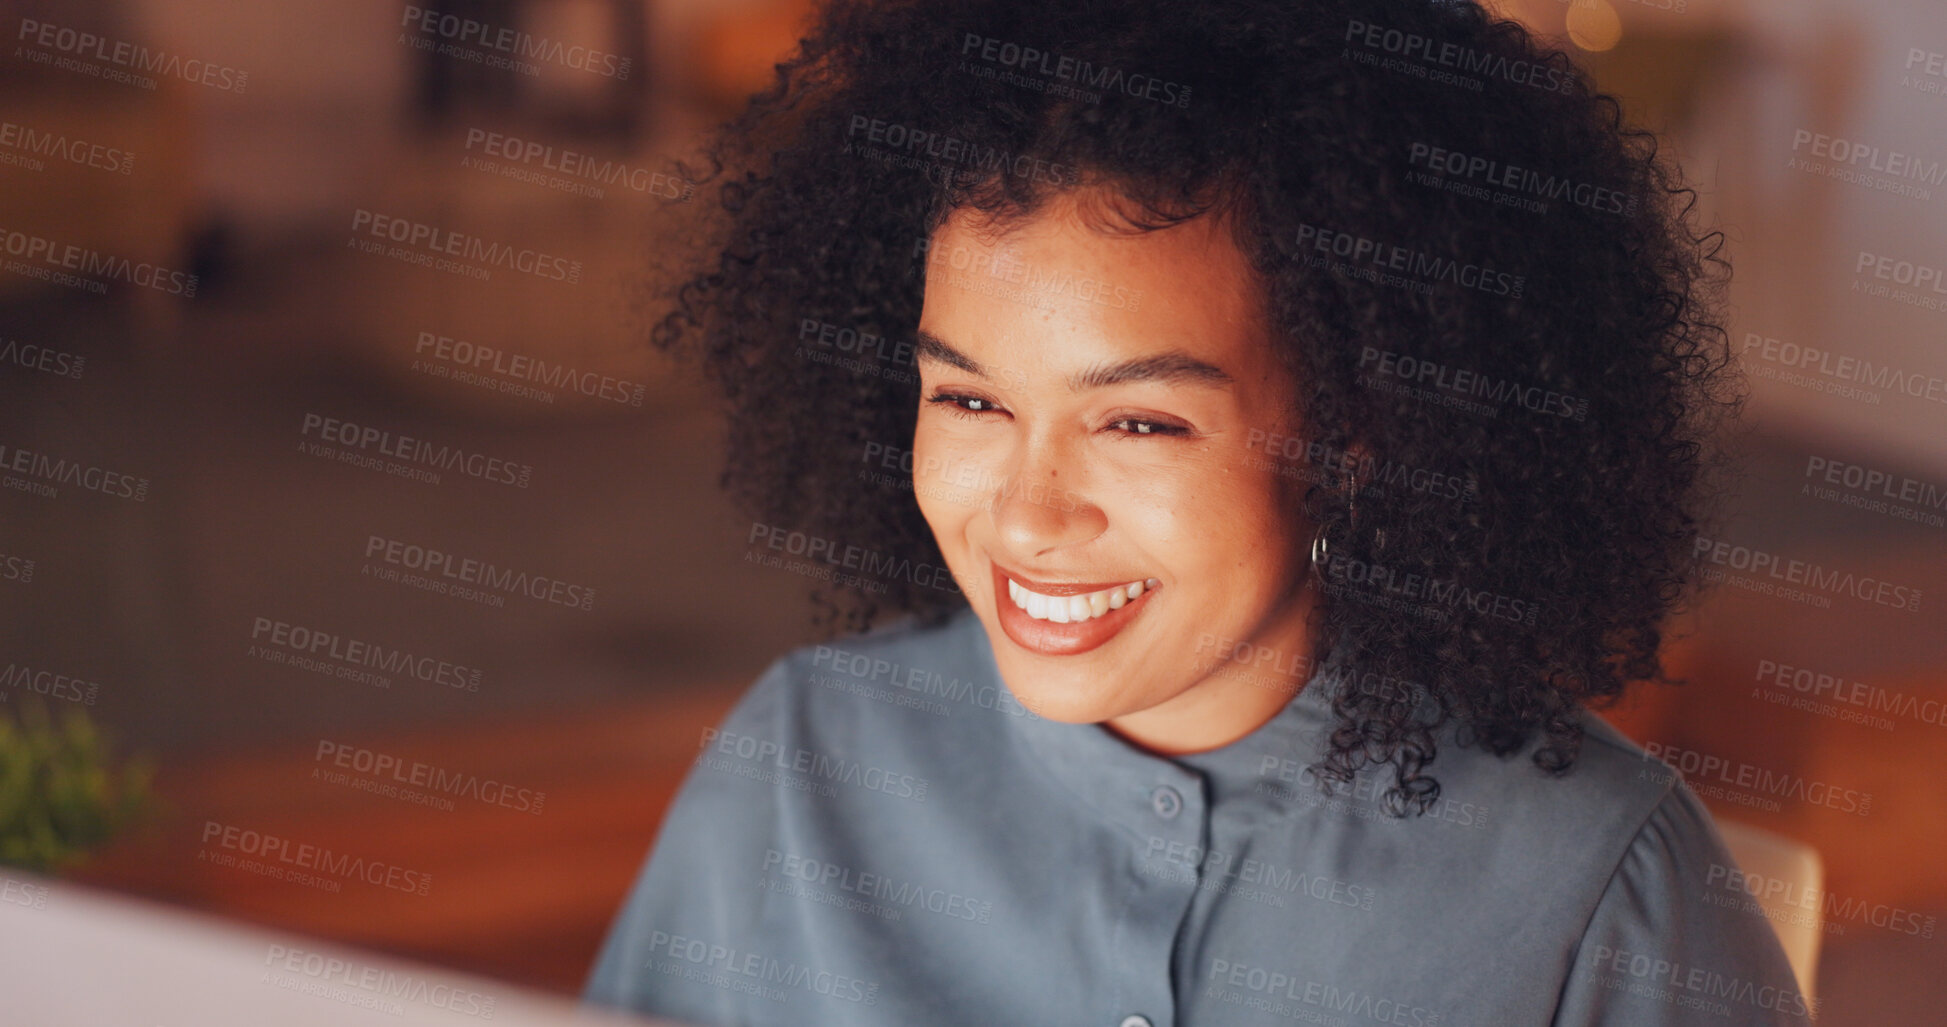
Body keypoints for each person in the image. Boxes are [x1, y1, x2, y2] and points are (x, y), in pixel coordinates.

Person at [584, 0, 1813, 1023]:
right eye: (968, 399)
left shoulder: (1596, 889)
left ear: (1358, 430)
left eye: (1139, 422)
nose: (1027, 514)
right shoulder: (806, 759)